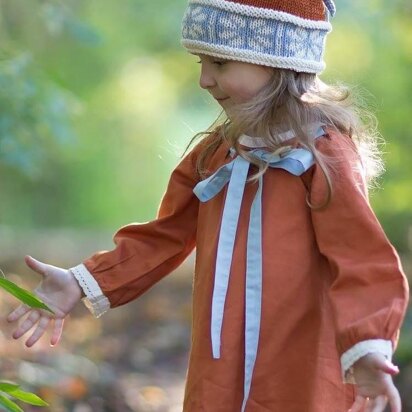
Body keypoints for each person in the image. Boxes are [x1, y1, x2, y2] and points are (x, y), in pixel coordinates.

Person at [6, 0, 409, 411]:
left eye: (218, 63)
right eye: (201, 62)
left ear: (276, 61)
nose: (203, 80)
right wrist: (81, 280)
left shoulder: (321, 155)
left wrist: (368, 349)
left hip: (300, 359)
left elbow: (362, 258)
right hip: (220, 364)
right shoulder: (216, 155)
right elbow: (162, 237)